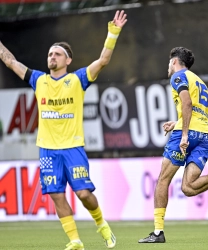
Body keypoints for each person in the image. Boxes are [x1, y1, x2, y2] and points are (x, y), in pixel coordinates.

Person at [0, 10, 127, 250]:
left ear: (68, 60)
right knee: (57, 195)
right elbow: (10, 61)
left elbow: (103, 61)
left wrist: (113, 33)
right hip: (47, 149)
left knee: (83, 194)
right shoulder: (38, 80)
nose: (52, 57)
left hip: (72, 147)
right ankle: (75, 241)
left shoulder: (78, 79)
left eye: (57, 54)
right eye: (49, 54)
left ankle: (102, 225)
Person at [138, 47, 208, 243]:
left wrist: (182, 133)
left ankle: (157, 233)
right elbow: (197, 110)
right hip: (206, 135)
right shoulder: (199, 81)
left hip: (188, 133)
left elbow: (187, 103)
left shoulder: (177, 76)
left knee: (163, 180)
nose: (168, 67)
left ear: (174, 62)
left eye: (169, 63)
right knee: (188, 188)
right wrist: (177, 122)